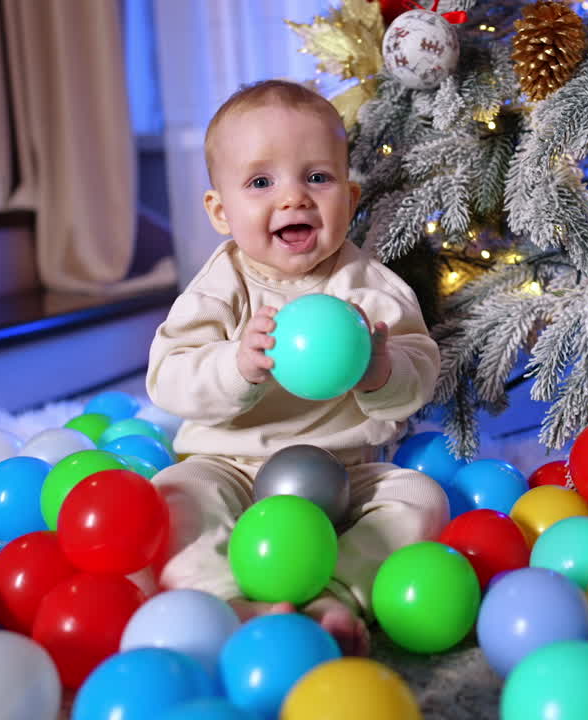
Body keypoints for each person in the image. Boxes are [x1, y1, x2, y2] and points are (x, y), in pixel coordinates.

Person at [146, 80, 450, 656]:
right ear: (220, 210)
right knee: (175, 495)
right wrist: (235, 367)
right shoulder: (220, 287)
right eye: (261, 182)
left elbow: (421, 370)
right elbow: (167, 375)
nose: (293, 199)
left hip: (341, 473)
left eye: (317, 177)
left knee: (419, 497)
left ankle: (335, 594)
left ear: (350, 200)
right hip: (230, 464)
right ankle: (228, 598)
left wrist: (381, 372)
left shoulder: (370, 289)